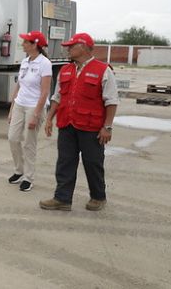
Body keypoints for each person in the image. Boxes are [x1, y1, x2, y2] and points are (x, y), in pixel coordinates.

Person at [40, 32, 118, 211]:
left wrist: (107, 127)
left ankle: (98, 197)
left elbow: (111, 101)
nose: (67, 49)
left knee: (93, 162)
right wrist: (50, 118)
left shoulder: (103, 70)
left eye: (71, 46)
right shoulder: (66, 70)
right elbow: (57, 97)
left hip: (91, 127)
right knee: (65, 162)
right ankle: (62, 199)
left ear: (82, 47)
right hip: (67, 124)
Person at [7, 31, 52, 192]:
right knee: (13, 138)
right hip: (20, 104)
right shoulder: (25, 61)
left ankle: (28, 177)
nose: (23, 43)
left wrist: (36, 114)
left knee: (29, 143)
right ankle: (19, 171)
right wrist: (12, 109)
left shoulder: (45, 63)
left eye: (26, 41)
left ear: (35, 45)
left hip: (34, 106)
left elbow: (45, 91)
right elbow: (19, 86)